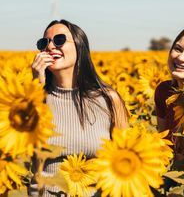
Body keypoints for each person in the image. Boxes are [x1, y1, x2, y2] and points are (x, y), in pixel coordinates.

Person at [31, 19, 128, 196]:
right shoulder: (35, 98)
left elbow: (125, 156)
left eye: (59, 40)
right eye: (44, 43)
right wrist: (36, 87)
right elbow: (24, 149)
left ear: (79, 46)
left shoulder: (108, 100)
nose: (50, 47)